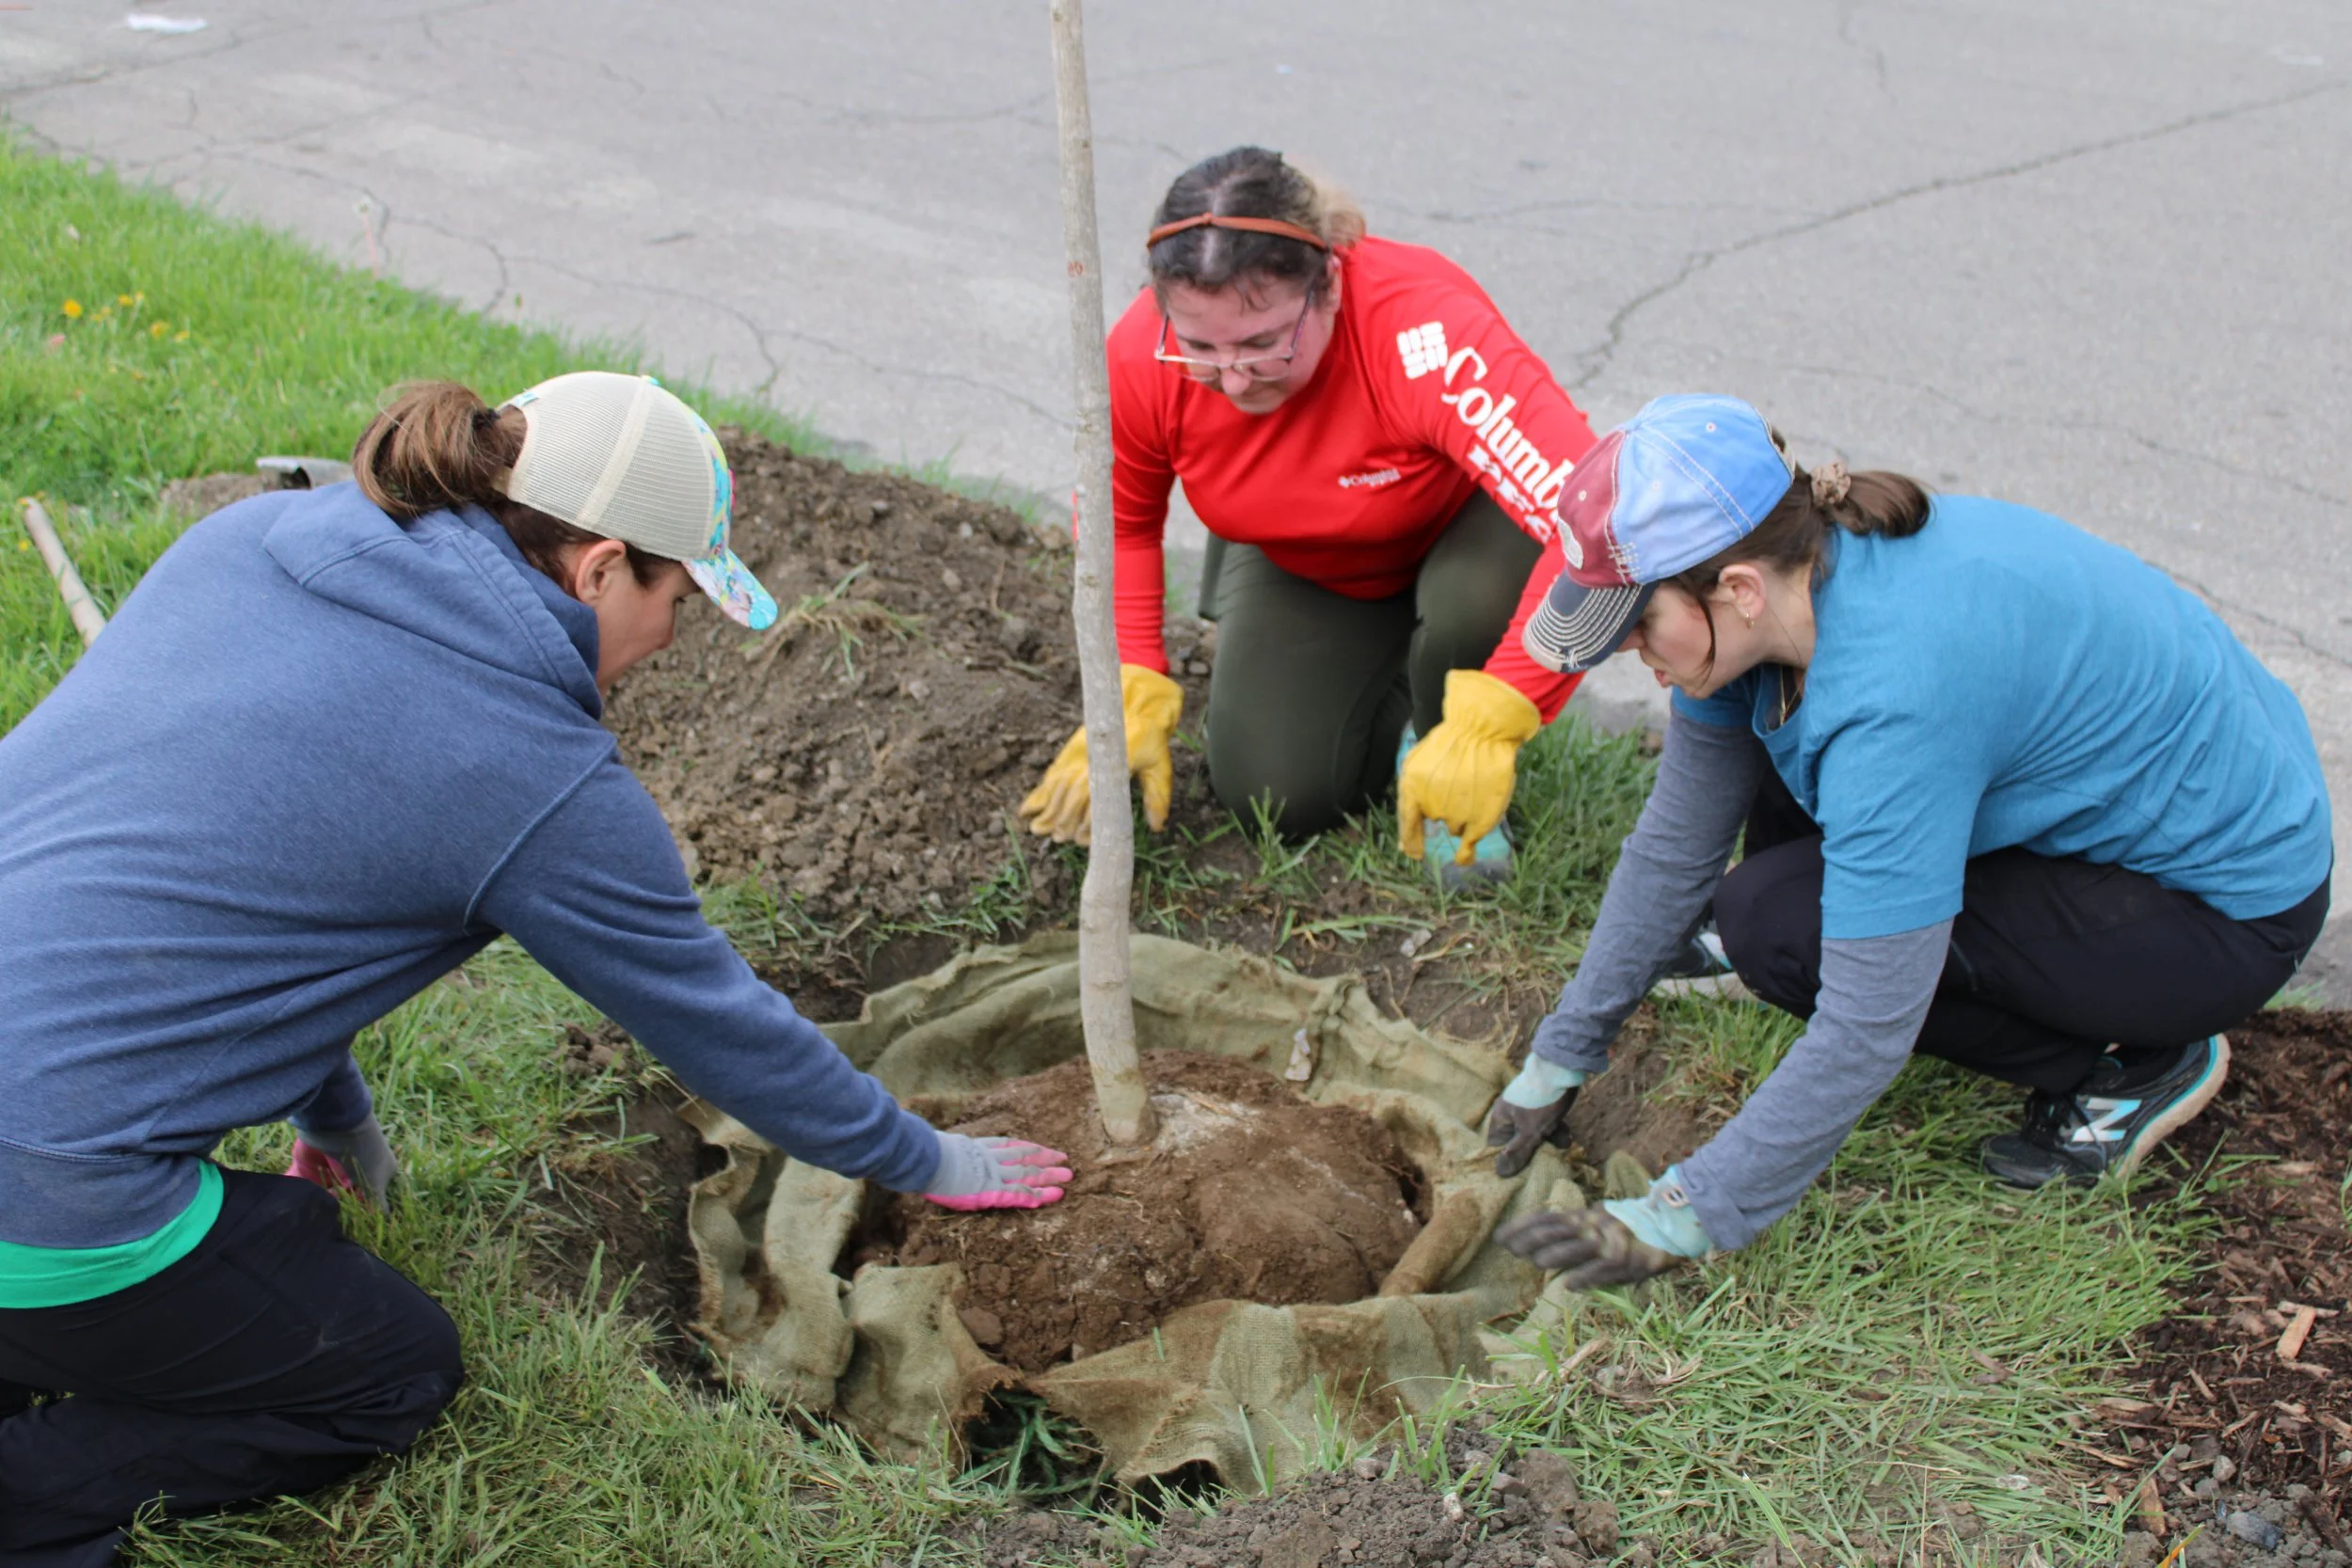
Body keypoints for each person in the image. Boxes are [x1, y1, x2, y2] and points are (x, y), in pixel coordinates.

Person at [0, 373, 1072, 1565]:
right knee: (384, 1368)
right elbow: (723, 1028)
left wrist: (340, 1121)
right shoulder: (534, 775)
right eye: (676, 597)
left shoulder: (252, 542)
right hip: (43, 1187)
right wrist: (930, 1156)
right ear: (599, 565)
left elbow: (246, 876)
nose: (668, 641)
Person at [1490, 394, 2331, 1288]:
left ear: (1735, 588)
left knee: (1780, 931)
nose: (1633, 658)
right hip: (2106, 811)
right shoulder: (1783, 588)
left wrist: (1685, 1215)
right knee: (1766, 877)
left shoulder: (1898, 691)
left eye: (1635, 627)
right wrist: (1560, 1054)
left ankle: (2134, 1066)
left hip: (2218, 910)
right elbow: (1674, 846)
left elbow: (1867, 1019)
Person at [1016, 146, 1600, 882]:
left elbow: (1590, 523)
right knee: (1277, 791)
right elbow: (1119, 523)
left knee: (1470, 608)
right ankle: (1401, 696)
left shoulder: (1419, 331)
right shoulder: (1141, 358)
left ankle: (1447, 726)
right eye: (1200, 347)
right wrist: (1134, 680)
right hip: (1310, 554)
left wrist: (1504, 707)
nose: (1232, 377)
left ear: (1328, 285)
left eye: (1264, 343)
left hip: (1469, 526)